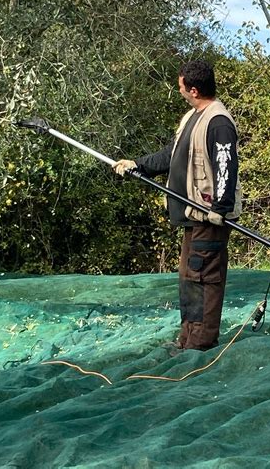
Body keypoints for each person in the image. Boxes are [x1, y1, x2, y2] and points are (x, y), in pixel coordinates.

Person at [113, 60, 241, 350]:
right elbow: (173, 153)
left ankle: (202, 341)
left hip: (208, 218)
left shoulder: (218, 122)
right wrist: (139, 165)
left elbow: (225, 166)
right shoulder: (193, 117)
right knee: (188, 279)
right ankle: (189, 336)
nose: (180, 91)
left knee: (204, 279)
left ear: (194, 90)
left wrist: (220, 208)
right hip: (190, 216)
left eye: (182, 87)